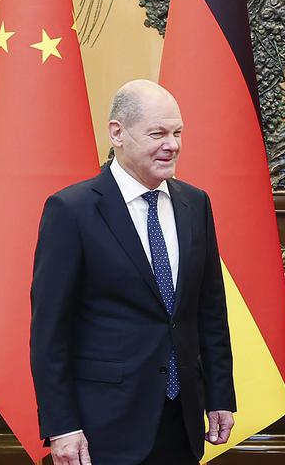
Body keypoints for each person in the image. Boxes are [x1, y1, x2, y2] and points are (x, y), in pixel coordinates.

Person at [30, 80, 235, 465]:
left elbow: (209, 310)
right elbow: (49, 333)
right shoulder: (71, 211)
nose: (172, 144)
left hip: (183, 421)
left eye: (177, 133)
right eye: (157, 133)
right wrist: (62, 426)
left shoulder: (195, 204)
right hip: (104, 426)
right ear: (117, 133)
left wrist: (220, 396)